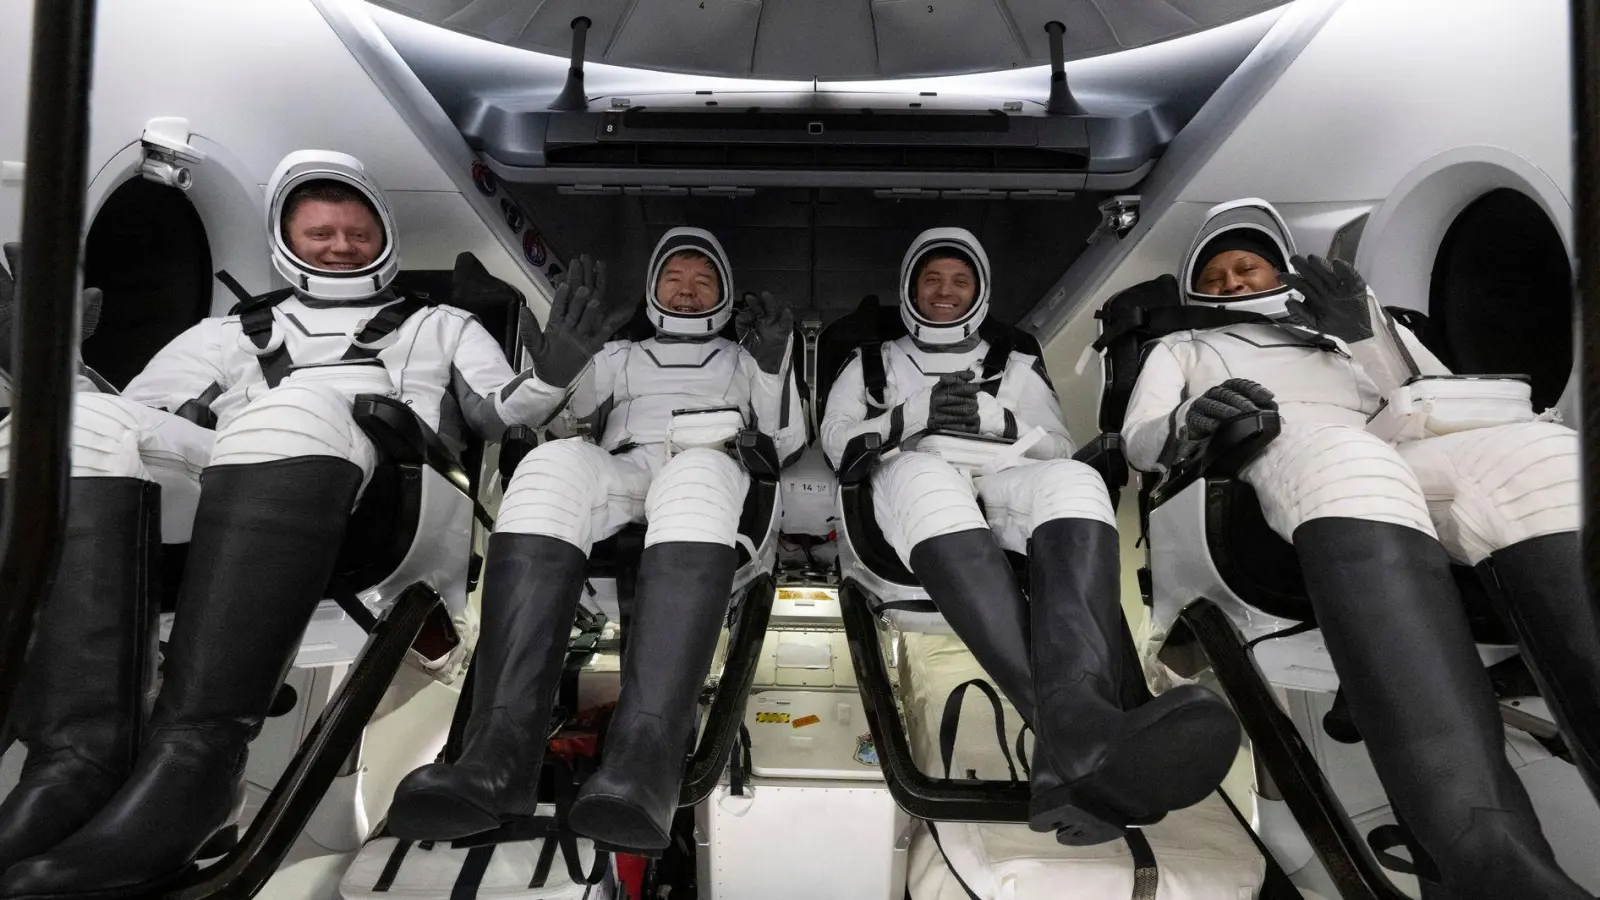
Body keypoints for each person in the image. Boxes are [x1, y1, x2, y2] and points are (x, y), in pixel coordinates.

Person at [0, 150, 557, 897]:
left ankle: (199, 765)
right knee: (74, 424)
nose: (340, 245)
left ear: (382, 233)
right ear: (285, 238)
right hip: (239, 478)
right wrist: (53, 366)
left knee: (292, 408)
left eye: (355, 231)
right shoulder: (222, 335)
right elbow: (137, 417)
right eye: (320, 232)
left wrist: (554, 372)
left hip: (397, 499)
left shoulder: (439, 324)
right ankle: (77, 759)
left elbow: (498, 410)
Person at [1121, 198, 1593, 899]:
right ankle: (1490, 862)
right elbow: (1141, 441)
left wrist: (1365, 333)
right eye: (1213, 276)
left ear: (1278, 270)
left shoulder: (1359, 326)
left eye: (1244, 267)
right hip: (1282, 447)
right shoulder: (1184, 347)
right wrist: (1194, 415)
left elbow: (1441, 399)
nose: (1229, 283)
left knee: (1545, 458)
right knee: (1353, 464)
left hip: (1412, 443)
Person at [386, 227, 804, 854]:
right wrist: (562, 358)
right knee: (548, 467)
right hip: (627, 466)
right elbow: (557, 416)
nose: (688, 293)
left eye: (703, 282)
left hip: (709, 465)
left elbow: (786, 441)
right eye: (675, 280)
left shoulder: (745, 359)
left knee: (695, 474)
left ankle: (645, 762)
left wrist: (772, 363)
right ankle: (497, 754)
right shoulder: (623, 355)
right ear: (654, 288)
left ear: (724, 293)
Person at [821, 227, 1240, 846]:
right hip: (909, 470)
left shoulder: (1012, 363)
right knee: (926, 476)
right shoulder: (870, 364)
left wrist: (1000, 418)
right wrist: (913, 418)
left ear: (979, 290)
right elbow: (836, 443)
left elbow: (1057, 446)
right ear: (910, 288)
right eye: (931, 279)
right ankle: (1083, 731)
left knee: (1072, 481)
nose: (944, 291)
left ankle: (1069, 744)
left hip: (1004, 468)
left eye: (959, 280)